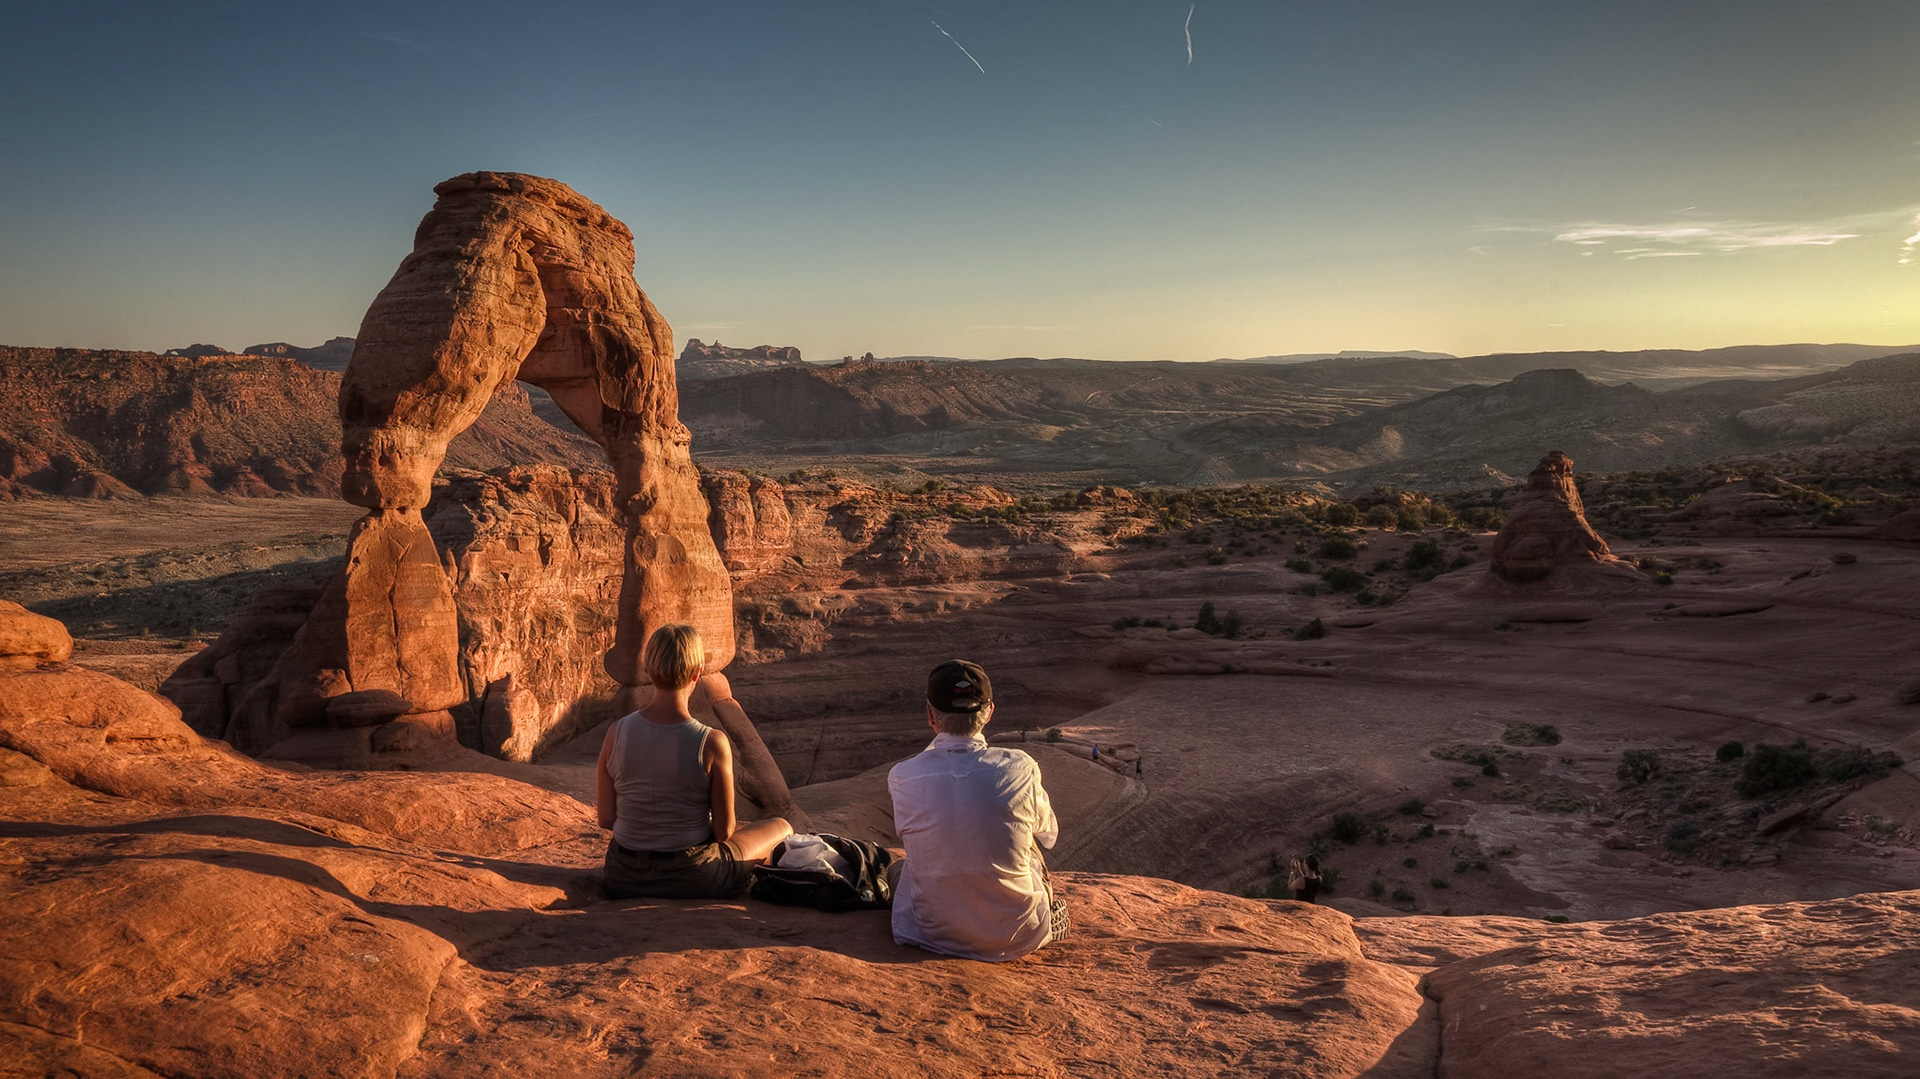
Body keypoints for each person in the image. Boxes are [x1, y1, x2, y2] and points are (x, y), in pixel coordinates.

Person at [596, 624, 792, 899]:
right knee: (782, 827)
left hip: (623, 874)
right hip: (692, 876)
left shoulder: (615, 733)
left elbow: (606, 819)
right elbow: (724, 831)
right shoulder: (711, 742)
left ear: (649, 670)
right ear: (697, 674)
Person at [888, 659, 1063, 961]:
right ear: (989, 712)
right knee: (1028, 837)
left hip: (932, 933)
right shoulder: (1020, 767)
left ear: (930, 715)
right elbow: (1048, 835)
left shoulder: (903, 775)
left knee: (899, 868)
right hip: (1019, 933)